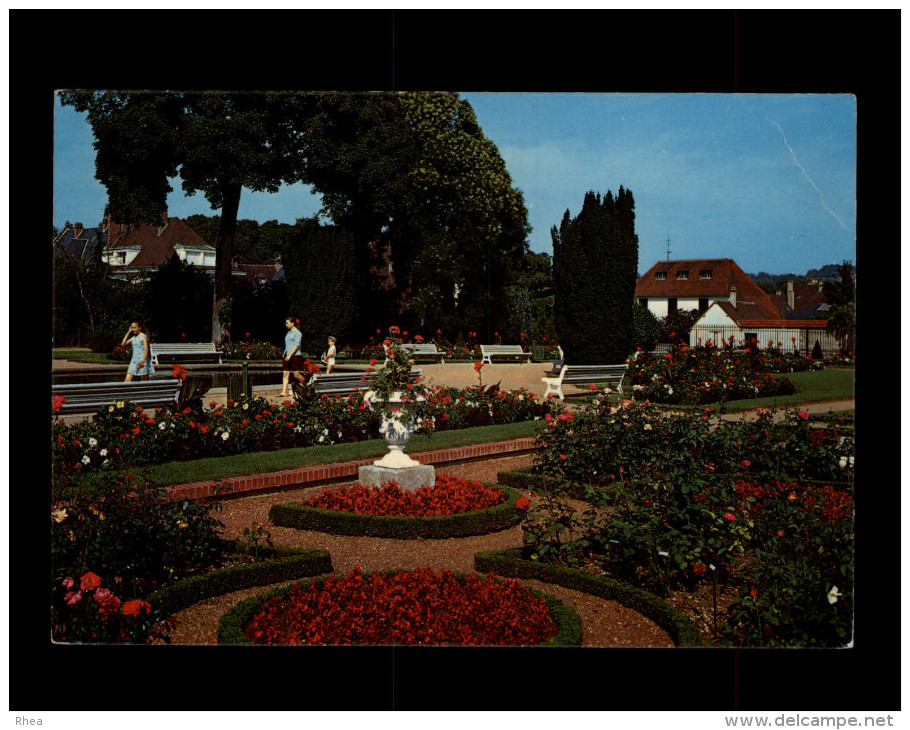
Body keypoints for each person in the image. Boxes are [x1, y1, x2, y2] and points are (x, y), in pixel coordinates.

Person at [280, 316, 306, 397]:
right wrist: (285, 353)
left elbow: (297, 345)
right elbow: (288, 345)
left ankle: (307, 385)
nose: (286, 324)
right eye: (285, 323)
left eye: (287, 323)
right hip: (287, 356)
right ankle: (284, 392)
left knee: (296, 375)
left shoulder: (298, 333)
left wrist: (290, 355)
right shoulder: (288, 333)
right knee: (285, 374)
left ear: (293, 323)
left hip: (295, 356)